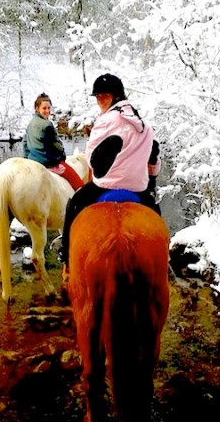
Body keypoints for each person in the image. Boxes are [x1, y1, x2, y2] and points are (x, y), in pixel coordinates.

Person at [59, 73, 161, 276]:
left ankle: (67, 258)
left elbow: (90, 158)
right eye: (97, 97)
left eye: (102, 96)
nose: (99, 101)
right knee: (155, 212)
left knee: (75, 203)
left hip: (105, 186)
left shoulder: (106, 121)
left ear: (114, 96)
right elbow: (154, 168)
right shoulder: (145, 125)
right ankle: (162, 261)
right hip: (139, 189)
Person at [22, 92, 85, 191]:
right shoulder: (47, 124)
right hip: (48, 163)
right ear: (37, 108)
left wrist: (27, 159)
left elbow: (25, 144)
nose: (47, 111)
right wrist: (62, 157)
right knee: (78, 183)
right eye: (44, 108)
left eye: (48, 108)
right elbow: (57, 146)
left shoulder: (30, 124)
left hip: (33, 162)